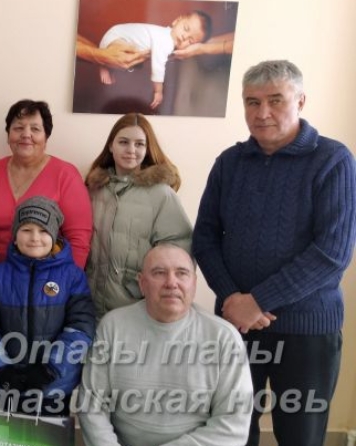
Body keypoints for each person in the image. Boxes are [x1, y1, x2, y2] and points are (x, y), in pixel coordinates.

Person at [193, 60, 356, 446]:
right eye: (252, 102)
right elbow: (204, 238)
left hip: (307, 333)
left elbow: (332, 253)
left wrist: (258, 301)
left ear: (300, 101)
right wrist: (232, 300)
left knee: (301, 436)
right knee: (231, 433)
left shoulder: (333, 160)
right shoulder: (229, 163)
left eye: (275, 100)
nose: (262, 112)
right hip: (236, 328)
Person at [78, 244, 253, 445]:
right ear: (142, 283)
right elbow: (92, 405)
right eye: (159, 273)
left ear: (194, 283)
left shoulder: (224, 337)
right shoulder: (112, 326)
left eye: (182, 273)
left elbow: (233, 426)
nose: (171, 283)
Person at [0, 196, 95, 416]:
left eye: (43, 230)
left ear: (55, 235)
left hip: (53, 387)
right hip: (8, 383)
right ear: (15, 235)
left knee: (49, 434)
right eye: (26, 230)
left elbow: (81, 327)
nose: (35, 238)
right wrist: (0, 368)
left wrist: (50, 369)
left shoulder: (73, 276)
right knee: (8, 433)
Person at [85, 113, 192, 319]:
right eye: (123, 142)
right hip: (88, 306)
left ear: (147, 148)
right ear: (111, 146)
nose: (131, 150)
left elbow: (179, 251)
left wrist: (144, 289)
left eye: (139, 144)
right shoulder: (93, 190)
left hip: (138, 310)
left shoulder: (161, 194)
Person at [0, 99, 92, 268]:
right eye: (18, 128)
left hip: (46, 279)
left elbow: (79, 242)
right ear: (8, 135)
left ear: (46, 137)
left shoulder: (66, 175)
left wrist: (65, 281)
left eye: (35, 129)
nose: (26, 134)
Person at [96, 10, 212, 109]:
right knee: (124, 57)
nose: (184, 37)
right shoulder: (165, 41)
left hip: (115, 35)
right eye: (186, 28)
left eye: (190, 41)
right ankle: (104, 64)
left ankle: (107, 63)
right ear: (176, 21)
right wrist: (158, 91)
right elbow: (158, 68)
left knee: (130, 59)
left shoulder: (165, 35)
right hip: (113, 38)